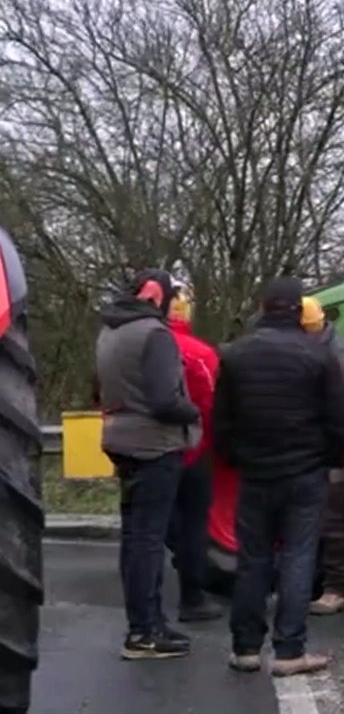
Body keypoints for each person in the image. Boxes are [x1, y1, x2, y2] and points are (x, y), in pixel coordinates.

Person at [214, 277, 344, 676]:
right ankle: (290, 651)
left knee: (252, 559)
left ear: (262, 306)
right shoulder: (317, 355)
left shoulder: (236, 355)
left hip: (255, 471)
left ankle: (245, 649)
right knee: (297, 557)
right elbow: (338, 416)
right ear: (297, 309)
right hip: (304, 471)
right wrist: (330, 458)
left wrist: (235, 456)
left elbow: (222, 420)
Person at [96, 269, 202, 660]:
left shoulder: (110, 330)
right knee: (148, 541)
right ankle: (145, 631)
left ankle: (144, 625)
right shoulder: (154, 335)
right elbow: (164, 400)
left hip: (122, 440)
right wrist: (193, 412)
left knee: (134, 539)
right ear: (159, 297)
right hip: (154, 445)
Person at [300, 296, 344, 616]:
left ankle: (336, 588)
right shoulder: (316, 350)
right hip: (314, 451)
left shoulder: (342, 357)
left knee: (334, 523)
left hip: (334, 452)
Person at [164, 282, 224, 623]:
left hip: (146, 450)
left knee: (146, 528)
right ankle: (192, 596)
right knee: (194, 524)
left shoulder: (128, 344)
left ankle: (144, 610)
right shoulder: (200, 354)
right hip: (192, 448)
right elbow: (210, 403)